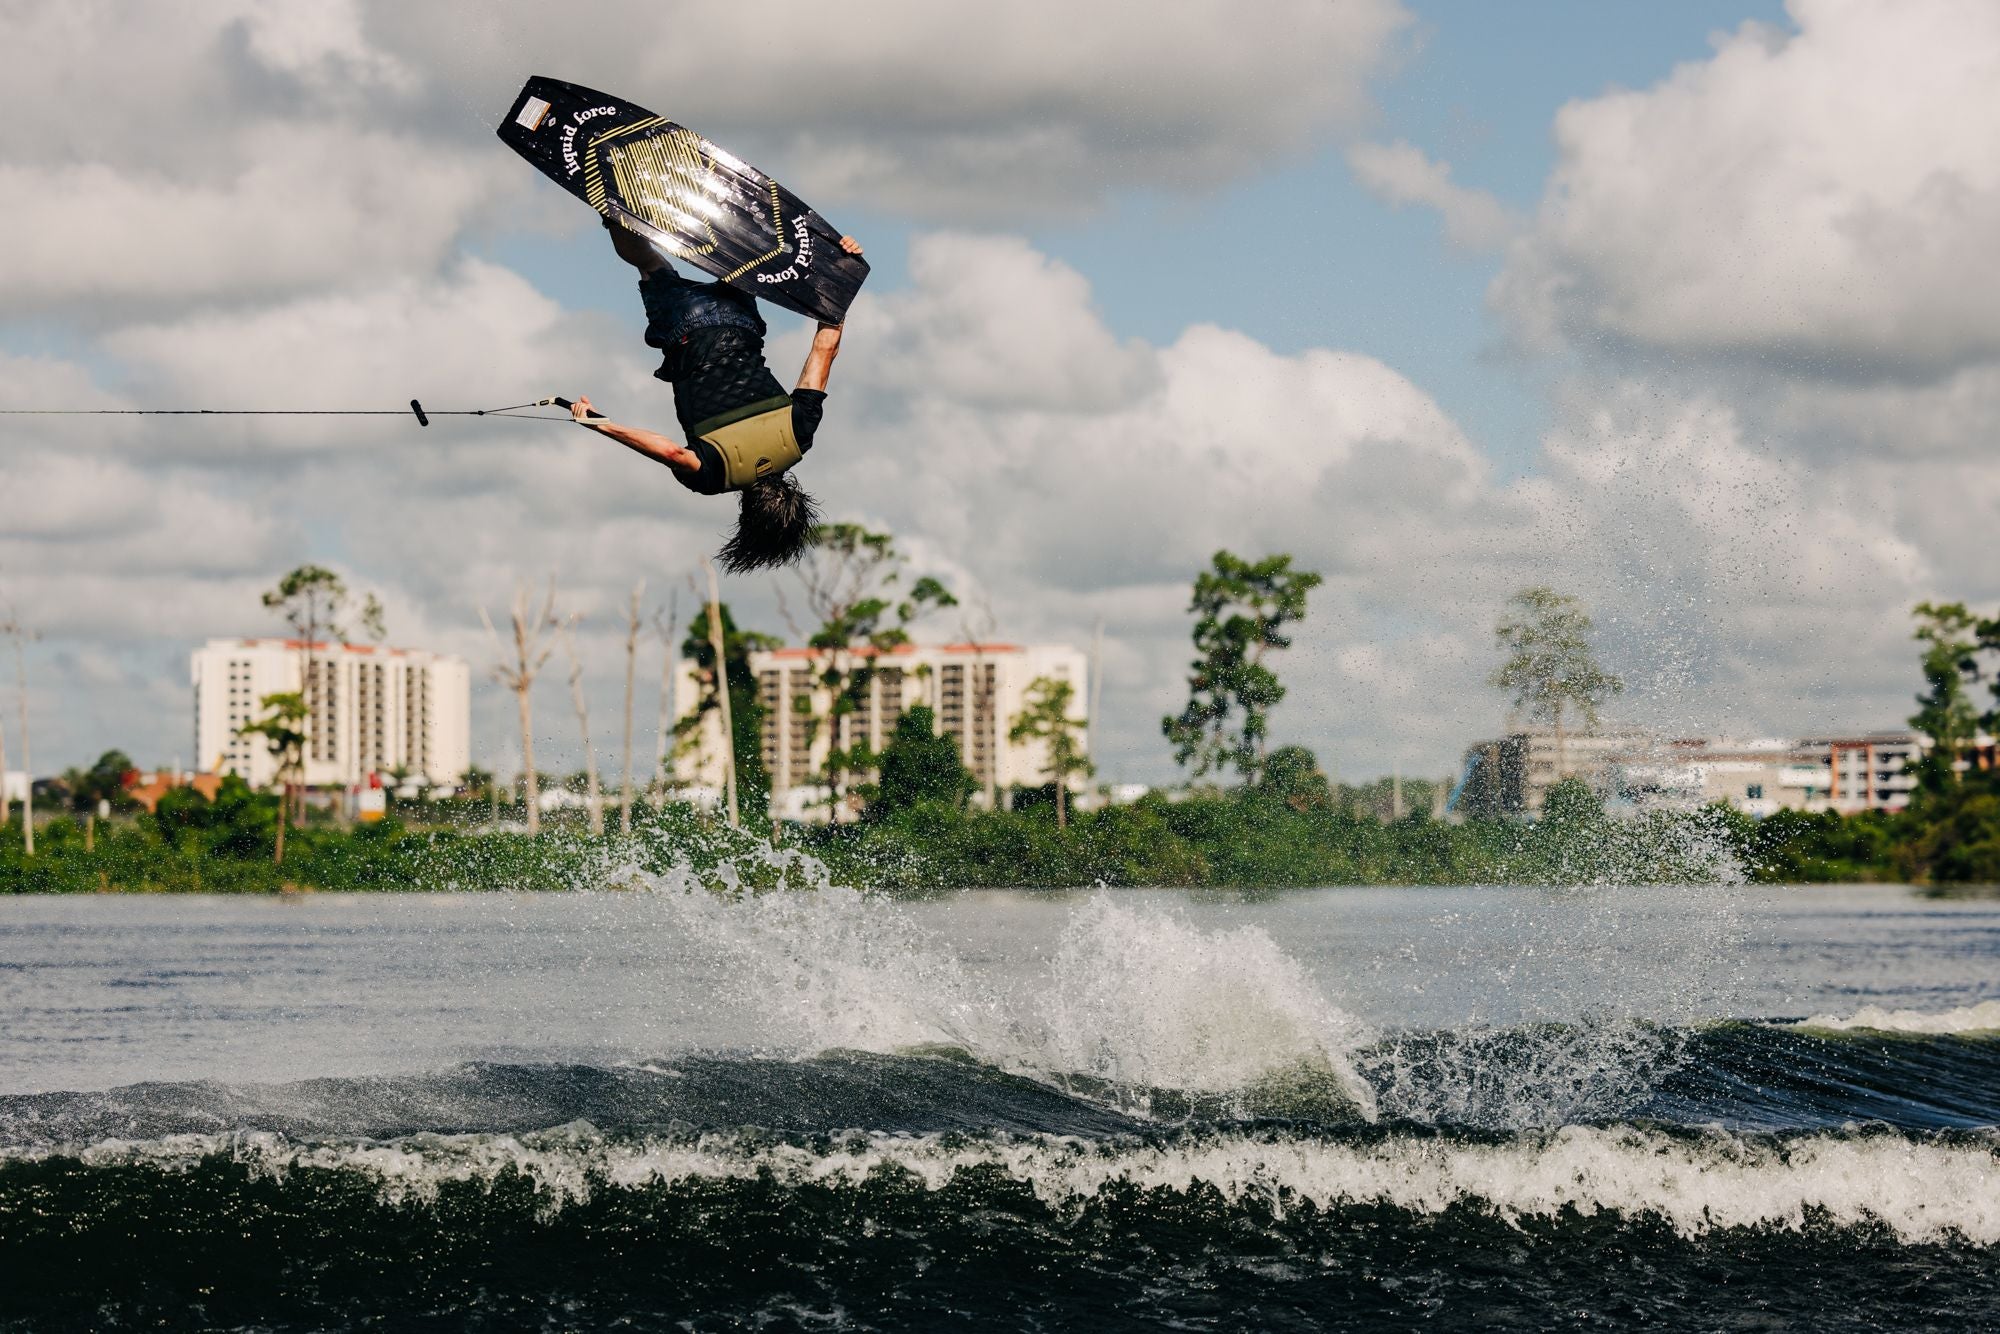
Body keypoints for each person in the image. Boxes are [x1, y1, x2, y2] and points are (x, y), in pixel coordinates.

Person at [566, 221, 863, 572]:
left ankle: (737, 233)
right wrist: (601, 425)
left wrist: (840, 273)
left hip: (739, 320)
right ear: (747, 515)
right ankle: (614, 214)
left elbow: (824, 349)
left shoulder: (799, 436)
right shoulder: (714, 477)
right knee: (650, 264)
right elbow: (672, 453)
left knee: (738, 257)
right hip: (685, 328)